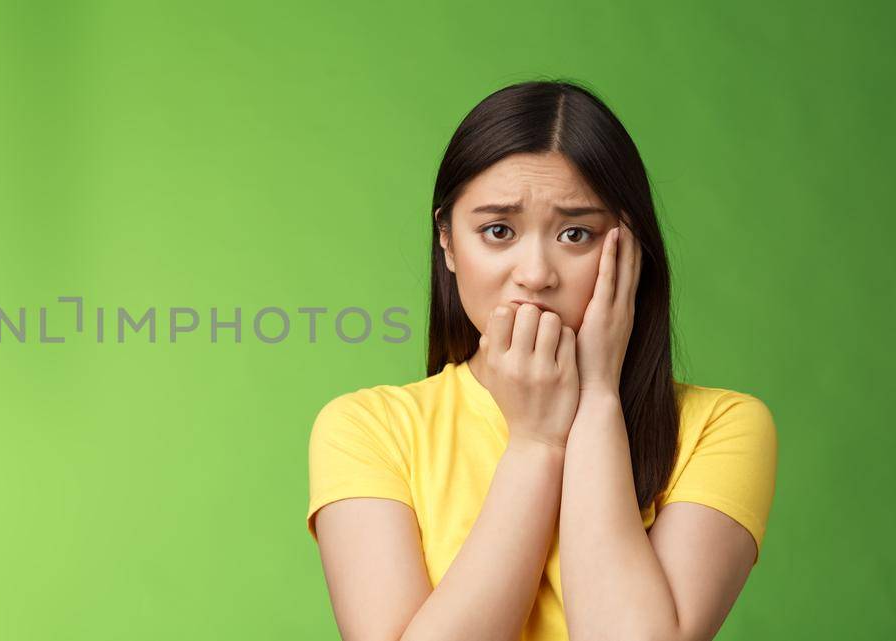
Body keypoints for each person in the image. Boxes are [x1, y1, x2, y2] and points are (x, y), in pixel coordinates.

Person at [305, 80, 778, 641]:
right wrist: (535, 444)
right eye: (497, 231)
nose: (535, 273)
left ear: (628, 247)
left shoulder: (721, 428)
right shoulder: (368, 429)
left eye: (575, 233)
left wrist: (597, 398)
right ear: (448, 242)